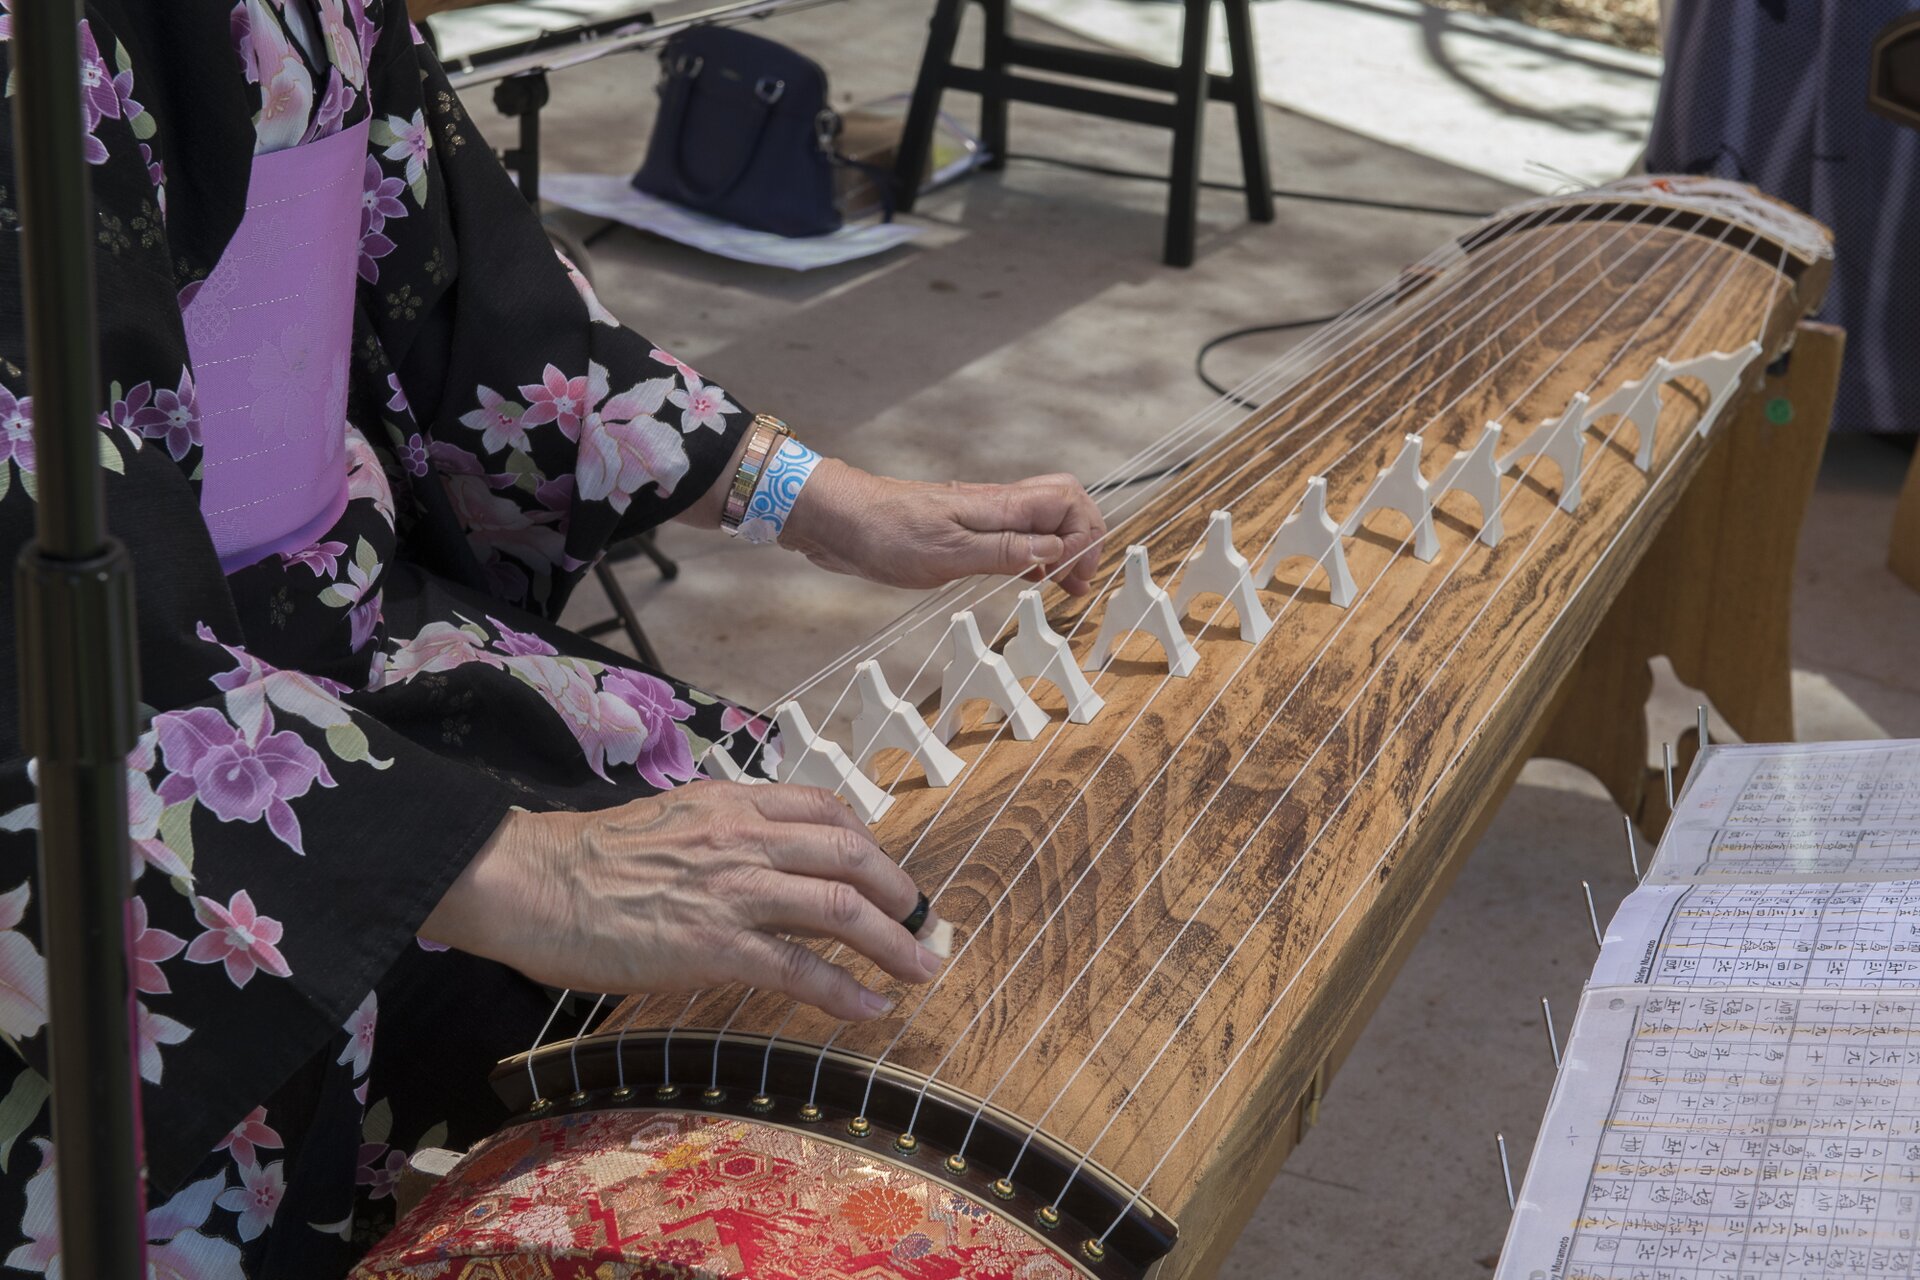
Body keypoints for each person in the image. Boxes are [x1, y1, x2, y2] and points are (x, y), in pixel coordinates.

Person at [0, 2, 1105, 1275]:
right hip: (137, 738)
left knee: (778, 861)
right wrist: (527, 872)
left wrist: (825, 499)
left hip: (346, 622)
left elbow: (485, 313)